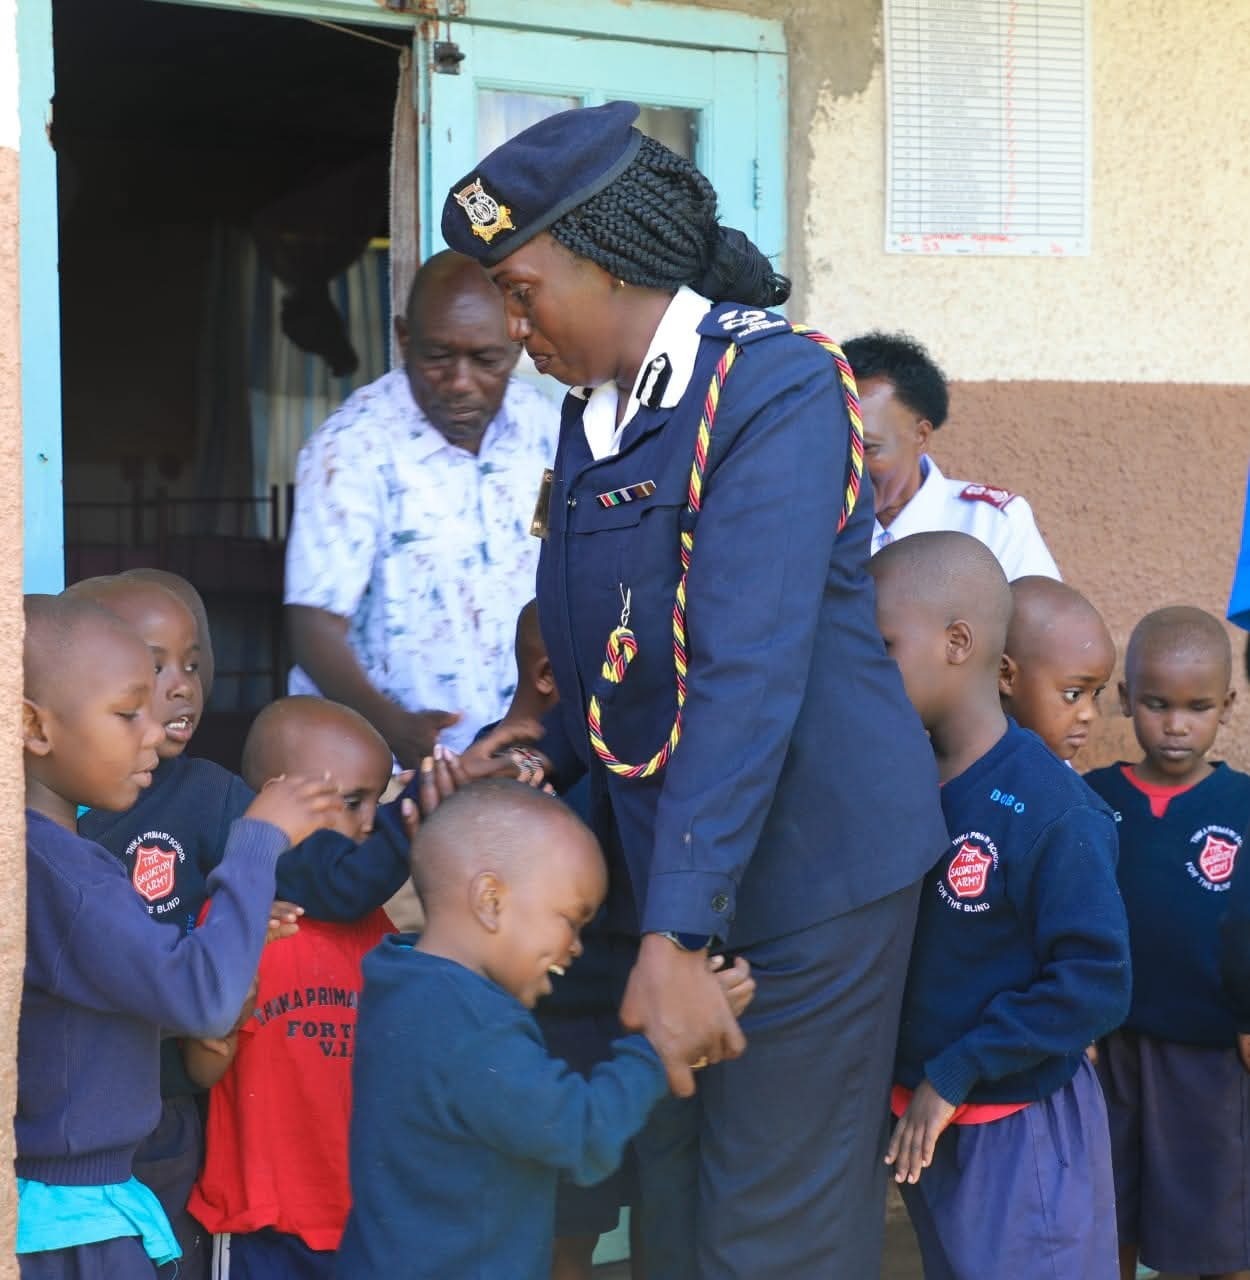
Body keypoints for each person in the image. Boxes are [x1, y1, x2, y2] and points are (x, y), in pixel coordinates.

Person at [442, 100, 949, 1277]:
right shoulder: (594, 416)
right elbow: (611, 654)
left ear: (605, 259)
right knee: (670, 1203)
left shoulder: (771, 388)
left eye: (522, 292)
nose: (513, 329)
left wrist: (674, 931)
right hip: (679, 864)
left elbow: (744, 666)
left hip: (808, 874)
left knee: (766, 1223)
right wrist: (532, 752)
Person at [67, 573, 422, 1278]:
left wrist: (415, 818)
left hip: (169, 1106)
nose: (180, 685)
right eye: (152, 662)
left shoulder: (212, 797)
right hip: (65, 1111)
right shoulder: (50, 816)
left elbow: (327, 881)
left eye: (193, 664)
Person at [17, 594, 341, 1280]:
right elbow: (202, 1000)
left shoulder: (42, 860)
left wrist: (233, 939)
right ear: (33, 726)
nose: (151, 732)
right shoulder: (66, 877)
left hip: (70, 1199)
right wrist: (257, 839)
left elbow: (90, 1019)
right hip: (74, 1221)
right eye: (127, 713)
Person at [869, 532, 1129, 1280]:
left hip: (1017, 1130)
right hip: (926, 1119)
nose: (867, 666)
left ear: (958, 643)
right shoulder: (904, 776)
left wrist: (957, 1071)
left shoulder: (1052, 810)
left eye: (883, 643)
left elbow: (1095, 982)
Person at [338, 780, 678, 1279]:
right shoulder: (471, 1024)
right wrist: (661, 1042)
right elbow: (584, 1135)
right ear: (491, 900)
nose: (577, 947)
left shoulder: (398, 981)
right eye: (571, 919)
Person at [284, 250, 560, 764]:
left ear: (514, 344)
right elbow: (313, 625)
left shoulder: (545, 430)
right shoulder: (350, 448)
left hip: (519, 756)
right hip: (385, 770)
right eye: (438, 357)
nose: (460, 381)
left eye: (485, 360)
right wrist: (391, 727)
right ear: (404, 339)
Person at [187, 697, 398, 1280]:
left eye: (377, 803)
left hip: (365, 1222)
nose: (367, 824)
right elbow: (200, 1070)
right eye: (352, 802)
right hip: (264, 1225)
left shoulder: (376, 928)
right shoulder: (239, 923)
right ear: (278, 799)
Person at [1085, 607, 1250, 1280]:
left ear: (1228, 707)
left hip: (1210, 1058)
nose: (1176, 725)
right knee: (1110, 1206)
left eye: (1197, 706)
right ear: (1126, 700)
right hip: (1110, 1050)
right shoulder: (1093, 800)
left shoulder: (1243, 806)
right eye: (1157, 704)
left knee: (1218, 1220)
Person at [841, 331, 1061, 580]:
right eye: (831, 445)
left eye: (868, 447)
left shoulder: (989, 524)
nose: (847, 463)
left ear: (921, 435)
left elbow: (1044, 617)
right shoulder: (809, 521)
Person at [999, 575, 1116, 762]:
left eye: (1096, 694)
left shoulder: (1062, 787)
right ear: (1005, 676)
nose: (1090, 714)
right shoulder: (953, 771)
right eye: (1073, 695)